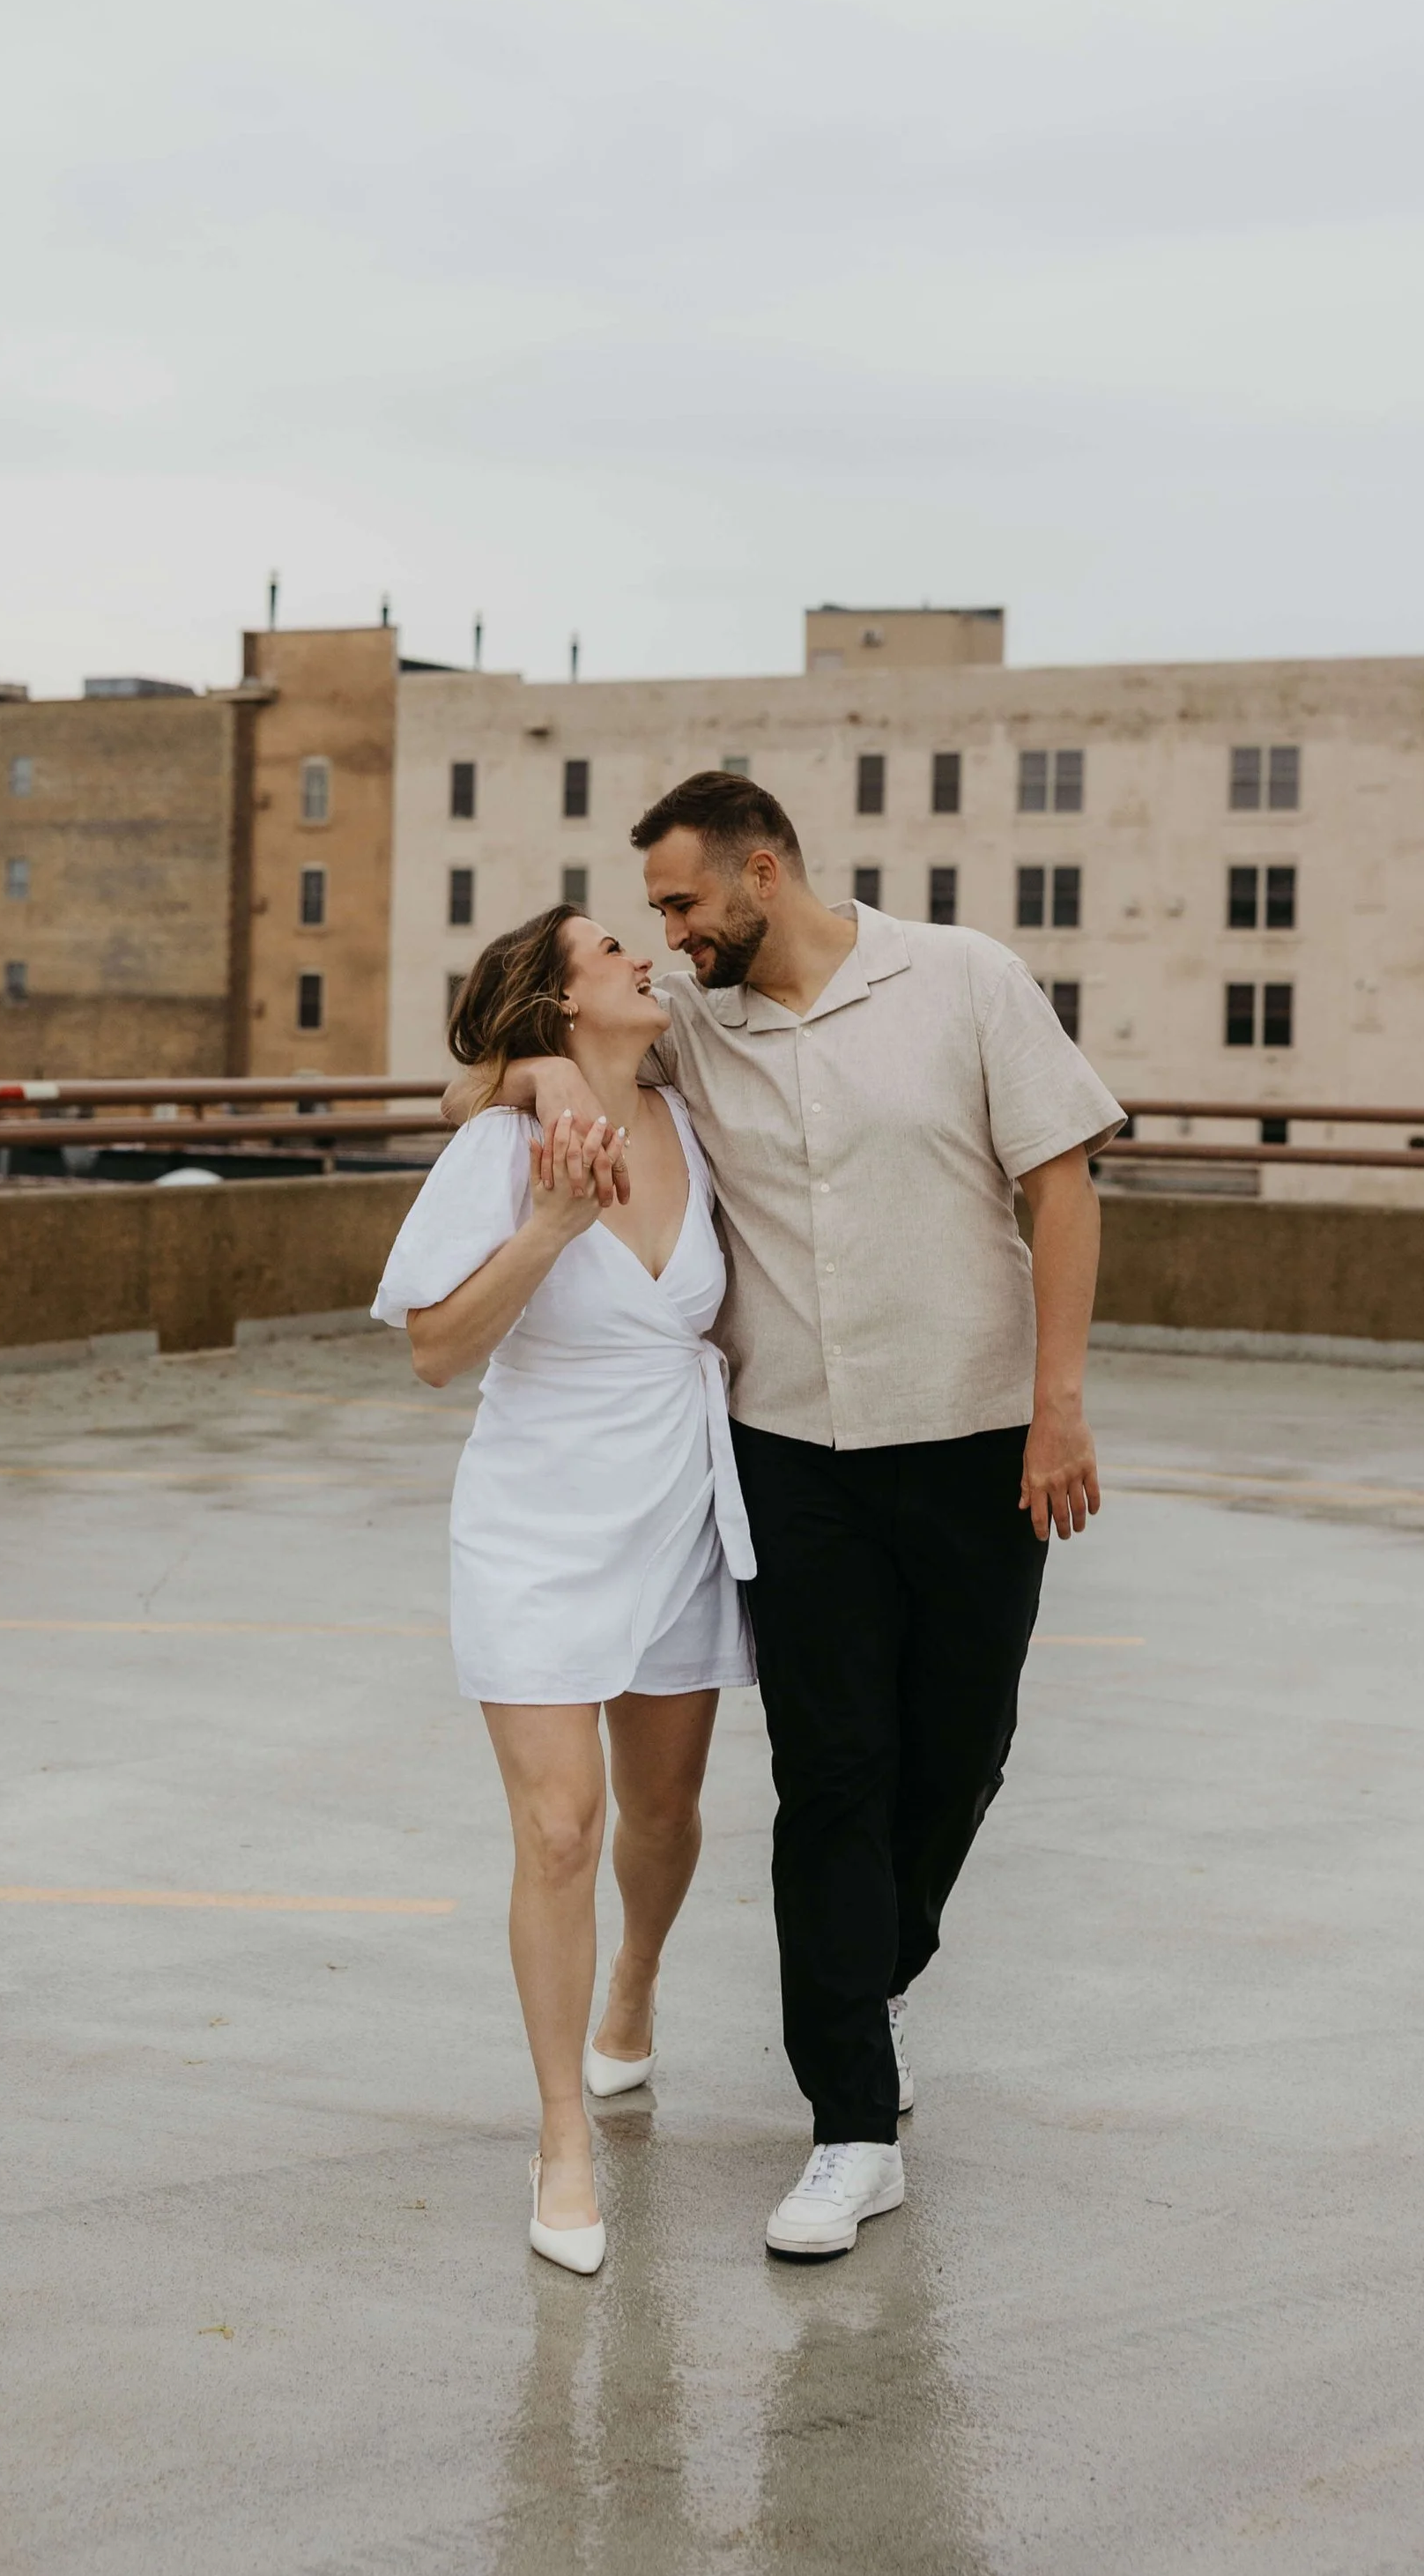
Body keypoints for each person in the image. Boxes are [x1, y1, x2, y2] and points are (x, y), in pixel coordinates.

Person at [458, 772, 1124, 2260]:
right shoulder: (690, 1018)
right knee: (832, 1771)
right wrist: (546, 1083)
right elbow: (483, 1071)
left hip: (975, 1443)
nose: (672, 934)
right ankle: (850, 2126)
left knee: (958, 1756)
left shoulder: (963, 980)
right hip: (791, 1459)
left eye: (687, 902)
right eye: (657, 917)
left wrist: (1058, 1399)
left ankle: (867, 1972)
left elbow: (1063, 1181)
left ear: (765, 870)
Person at [373, 903, 756, 2277]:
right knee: (558, 1828)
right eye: (605, 949)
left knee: (663, 1811)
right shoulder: (499, 1147)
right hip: (536, 1517)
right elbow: (431, 1349)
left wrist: (536, 1071)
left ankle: (635, 1978)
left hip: (677, 1504)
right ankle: (560, 2139)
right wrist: (547, 1220)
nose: (637, 957)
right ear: (559, 998)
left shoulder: (689, 1113)